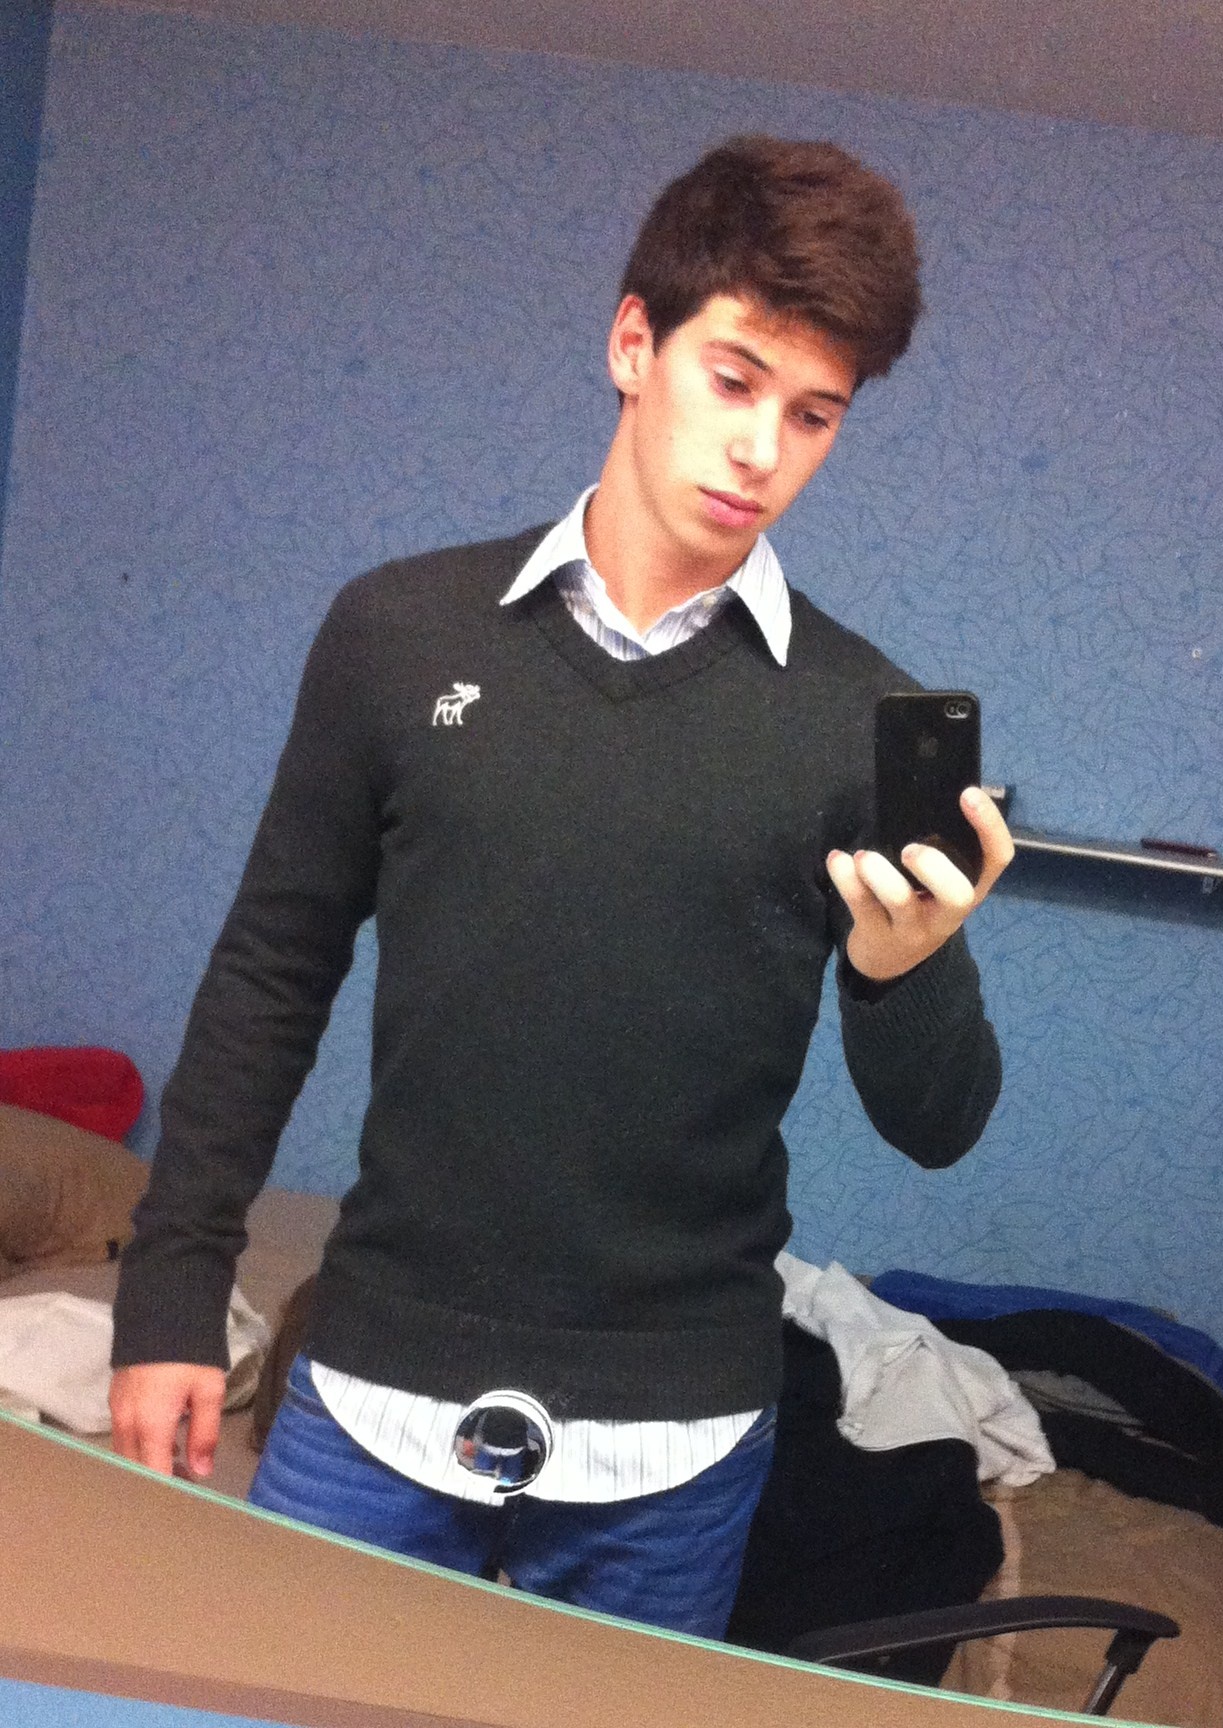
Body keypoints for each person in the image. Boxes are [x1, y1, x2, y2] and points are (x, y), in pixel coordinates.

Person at [110, 134, 1013, 1638]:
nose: (762, 451)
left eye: (813, 415)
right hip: (376, 1383)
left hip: (679, 1434)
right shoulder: (397, 633)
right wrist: (170, 1294)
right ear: (633, 345)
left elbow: (942, 1125)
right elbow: (273, 969)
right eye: (733, 380)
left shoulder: (855, 718)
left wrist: (904, 969)